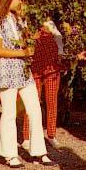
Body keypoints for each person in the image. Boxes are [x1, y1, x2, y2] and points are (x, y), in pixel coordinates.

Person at [0, 0, 55, 168]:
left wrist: (29, 42)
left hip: (24, 70)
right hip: (7, 70)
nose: (21, 1)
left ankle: (39, 151)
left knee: (34, 108)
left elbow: (24, 41)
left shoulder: (19, 20)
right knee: (9, 112)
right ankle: (9, 154)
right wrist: (23, 53)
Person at [22, 18, 64, 149]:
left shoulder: (51, 25)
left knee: (51, 101)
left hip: (51, 68)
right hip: (35, 68)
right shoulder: (29, 22)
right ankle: (26, 137)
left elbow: (59, 39)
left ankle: (51, 135)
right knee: (32, 102)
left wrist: (60, 54)